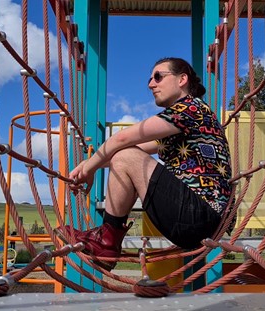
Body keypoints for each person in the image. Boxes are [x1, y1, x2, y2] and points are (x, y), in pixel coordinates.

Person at [58, 57, 232, 271]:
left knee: (123, 154)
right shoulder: (186, 122)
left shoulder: (190, 109)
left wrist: (89, 168)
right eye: (150, 79)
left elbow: (121, 140)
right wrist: (91, 164)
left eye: (158, 76)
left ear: (182, 79)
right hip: (199, 220)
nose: (151, 84)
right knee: (123, 156)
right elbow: (127, 152)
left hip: (198, 214)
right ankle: (107, 239)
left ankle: (107, 241)